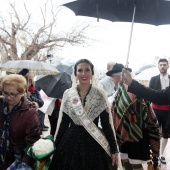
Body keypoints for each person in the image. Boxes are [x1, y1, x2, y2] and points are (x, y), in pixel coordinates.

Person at [49, 59, 122, 170]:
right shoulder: (68, 94)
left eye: (87, 70)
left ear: (92, 73)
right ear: (75, 74)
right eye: (80, 70)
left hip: (93, 143)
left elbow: (106, 124)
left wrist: (114, 149)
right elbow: (63, 124)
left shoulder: (99, 95)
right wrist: (55, 146)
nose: (84, 74)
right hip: (70, 143)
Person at [107, 64, 160, 170]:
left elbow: (142, 111)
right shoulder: (120, 90)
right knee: (125, 160)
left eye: (112, 76)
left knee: (136, 164)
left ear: (118, 76)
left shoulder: (131, 90)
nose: (111, 79)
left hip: (136, 134)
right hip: (124, 133)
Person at [0, 74, 41, 170]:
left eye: (13, 94)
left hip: (17, 161)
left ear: (22, 92)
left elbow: (32, 142)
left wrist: (24, 165)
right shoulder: (1, 104)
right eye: (5, 93)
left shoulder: (30, 112)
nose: (8, 97)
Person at [149, 58, 170, 164]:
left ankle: (161, 155)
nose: (162, 66)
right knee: (155, 131)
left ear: (168, 66)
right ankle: (154, 154)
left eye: (164, 65)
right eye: (161, 64)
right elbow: (149, 94)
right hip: (155, 109)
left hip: (168, 110)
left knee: (166, 133)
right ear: (158, 66)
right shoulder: (153, 79)